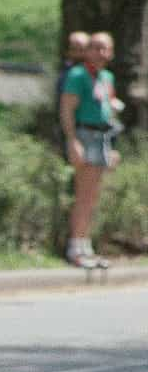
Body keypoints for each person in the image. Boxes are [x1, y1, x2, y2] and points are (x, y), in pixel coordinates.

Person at [60, 32, 120, 269]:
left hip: (104, 136)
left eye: (105, 48)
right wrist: (72, 140)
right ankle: (76, 246)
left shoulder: (106, 77)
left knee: (93, 195)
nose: (100, 53)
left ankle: (87, 245)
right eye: (95, 48)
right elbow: (67, 109)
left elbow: (111, 109)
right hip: (85, 134)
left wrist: (113, 147)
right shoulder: (77, 75)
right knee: (83, 194)